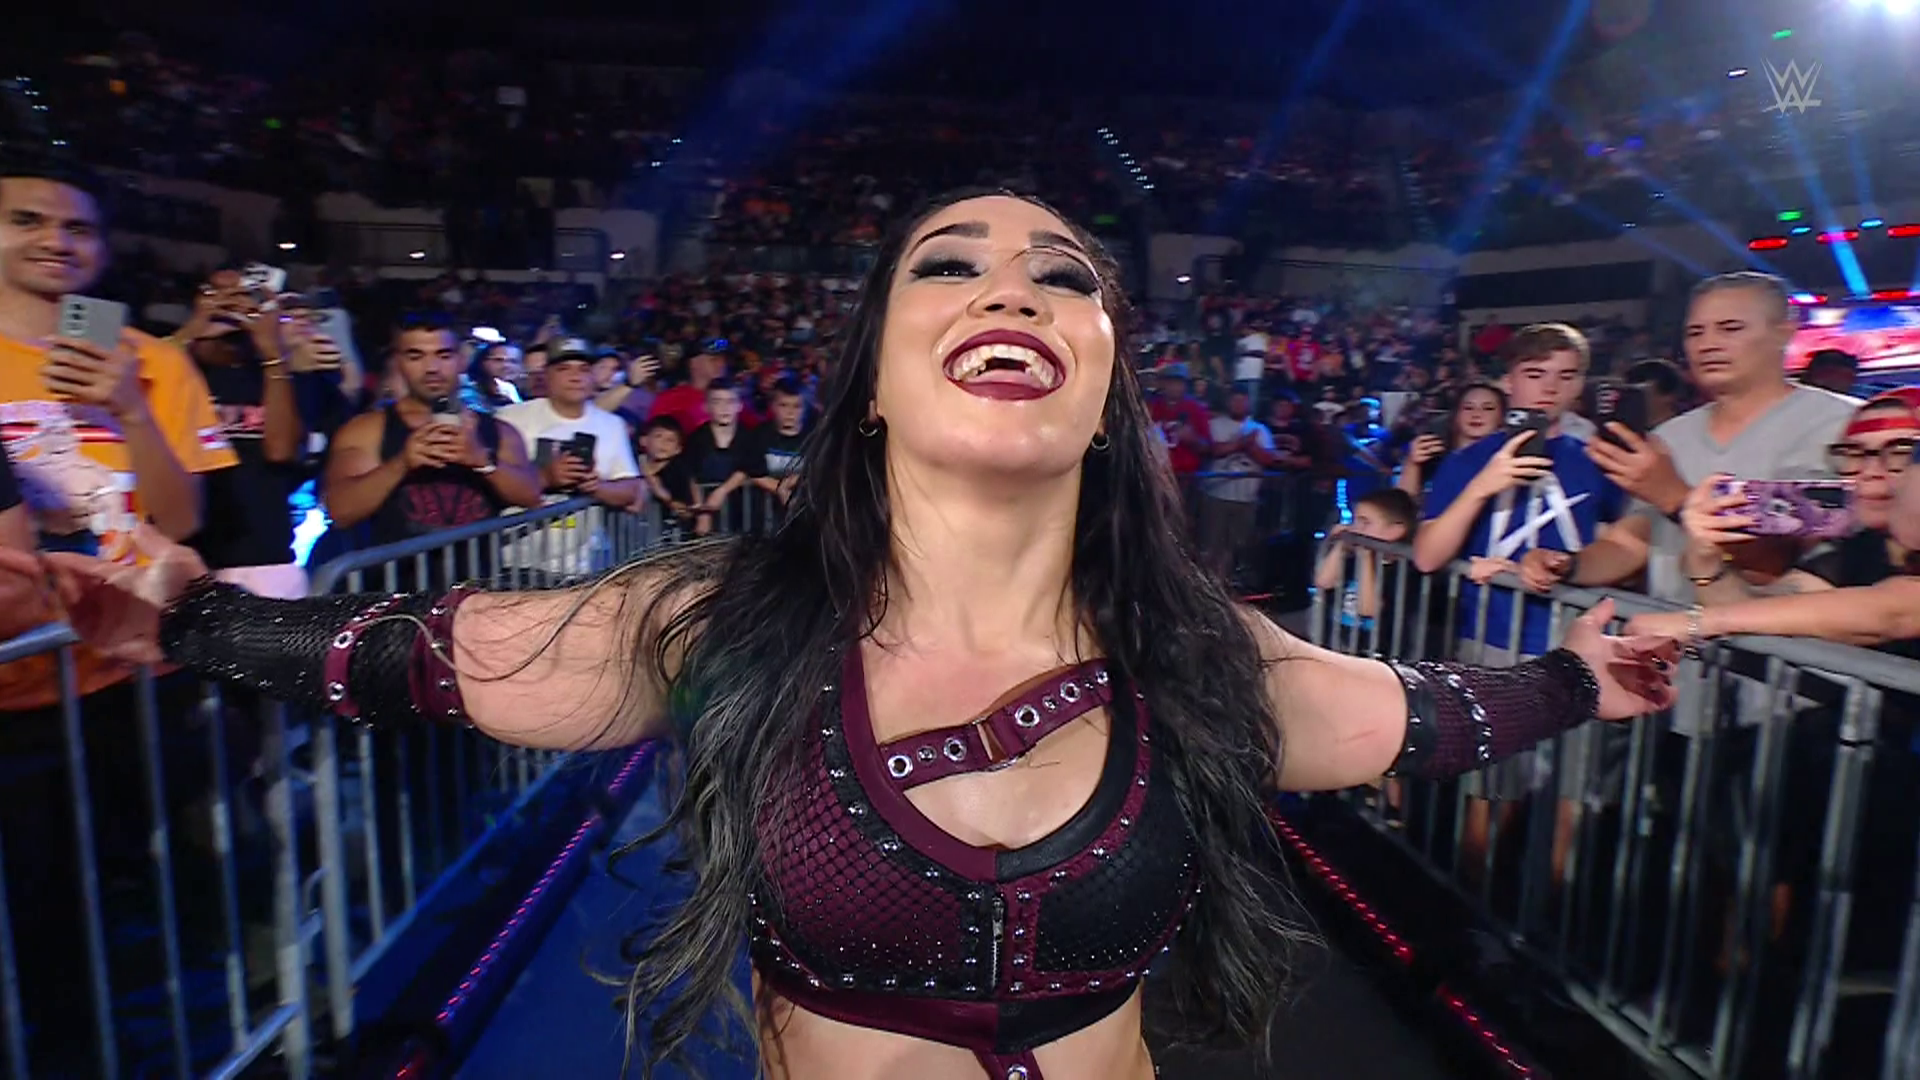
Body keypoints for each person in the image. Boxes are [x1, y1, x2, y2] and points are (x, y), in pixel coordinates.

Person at [8, 191, 1678, 1080]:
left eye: (1064, 276)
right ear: (873, 377)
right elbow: (405, 654)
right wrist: (184, 611)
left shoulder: (1204, 655)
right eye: (952, 266)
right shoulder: (716, 614)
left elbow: (1423, 717)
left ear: (1108, 382)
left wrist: (1587, 675)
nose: (1014, 289)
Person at [320, 312, 542, 586]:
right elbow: (340, 511)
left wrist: (482, 461)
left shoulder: (498, 430)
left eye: (443, 355)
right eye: (416, 356)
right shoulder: (367, 430)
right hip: (396, 593)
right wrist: (401, 463)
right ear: (399, 362)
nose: (432, 368)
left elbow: (531, 494)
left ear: (461, 360)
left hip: (478, 593)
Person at [1395, 382, 1504, 504]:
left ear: (1502, 417)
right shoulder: (1436, 454)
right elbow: (1402, 506)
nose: (1476, 414)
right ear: (1456, 414)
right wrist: (1412, 464)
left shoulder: (1504, 460)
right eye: (1468, 407)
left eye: (1488, 408)